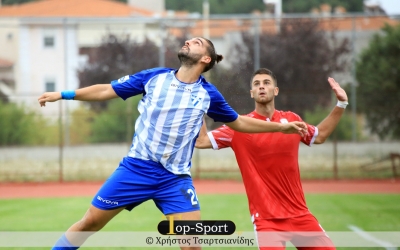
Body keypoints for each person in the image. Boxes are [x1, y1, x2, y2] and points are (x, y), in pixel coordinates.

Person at [38, 39, 307, 250]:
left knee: (192, 244)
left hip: (174, 180)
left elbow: (238, 123)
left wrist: (280, 127)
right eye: (189, 40)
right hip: (135, 170)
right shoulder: (154, 77)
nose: (188, 42)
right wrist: (64, 94)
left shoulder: (208, 94)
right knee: (90, 223)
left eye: (197, 42)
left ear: (205, 59)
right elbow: (107, 90)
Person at [195, 68, 349, 250]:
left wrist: (342, 103)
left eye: (266, 83)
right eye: (256, 84)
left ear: (276, 90)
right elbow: (202, 140)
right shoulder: (239, 126)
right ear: (251, 93)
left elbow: (320, 135)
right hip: (267, 221)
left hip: (300, 215)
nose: (261, 87)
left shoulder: (291, 120)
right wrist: (198, 107)